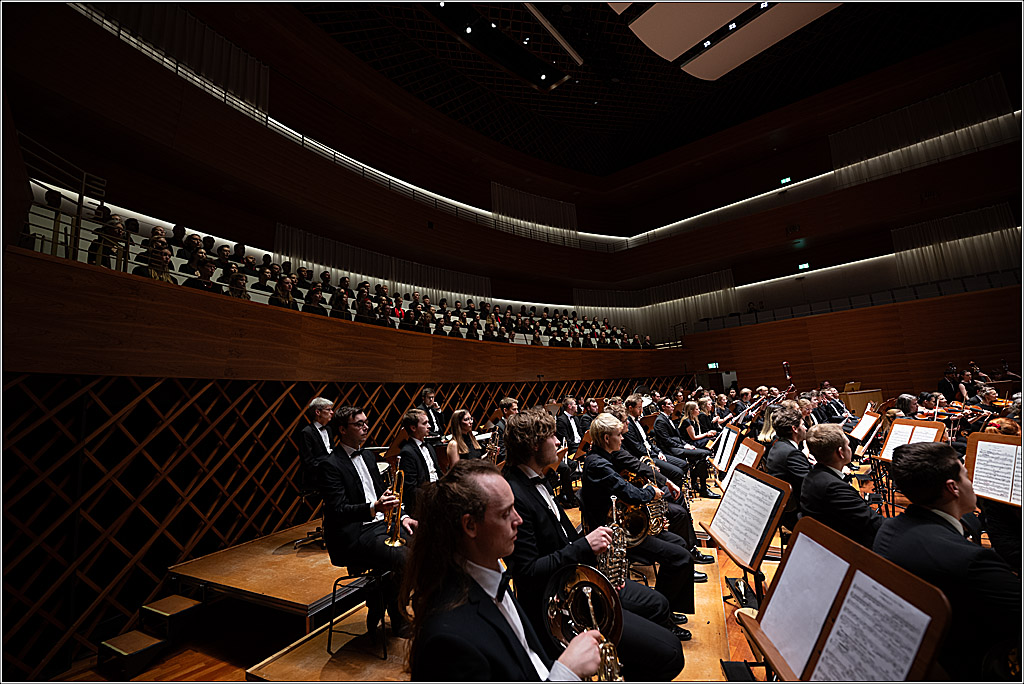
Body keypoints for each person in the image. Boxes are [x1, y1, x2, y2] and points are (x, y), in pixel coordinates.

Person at [501, 409, 687, 679]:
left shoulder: (537, 480)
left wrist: (601, 569)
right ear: (533, 445)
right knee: (670, 652)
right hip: (560, 604)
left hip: (579, 579)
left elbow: (566, 537)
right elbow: (527, 571)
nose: (558, 442)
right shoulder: (515, 493)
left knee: (658, 605)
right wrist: (586, 546)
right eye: (552, 436)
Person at [401, 459, 602, 680]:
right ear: (470, 526)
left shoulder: (490, 571)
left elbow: (528, 658)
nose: (519, 520)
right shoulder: (447, 640)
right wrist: (567, 672)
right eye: (506, 513)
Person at [873, 442, 1021, 681]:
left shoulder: (888, 530)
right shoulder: (972, 560)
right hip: (972, 662)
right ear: (952, 488)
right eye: (966, 475)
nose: (972, 482)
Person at [581, 413, 701, 622]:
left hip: (623, 526)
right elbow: (628, 492)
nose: (622, 438)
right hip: (615, 536)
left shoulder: (602, 458)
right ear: (607, 438)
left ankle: (666, 608)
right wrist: (650, 492)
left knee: (679, 543)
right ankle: (663, 615)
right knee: (679, 557)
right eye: (619, 434)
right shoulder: (598, 464)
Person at [318, 405, 415, 637]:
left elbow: (383, 492)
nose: (365, 427)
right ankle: (398, 618)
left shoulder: (369, 457)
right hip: (353, 534)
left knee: (426, 545)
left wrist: (404, 517)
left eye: (366, 422)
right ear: (342, 429)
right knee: (405, 558)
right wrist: (374, 507)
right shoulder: (330, 465)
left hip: (380, 526)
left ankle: (377, 592)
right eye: (359, 424)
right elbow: (339, 510)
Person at [801, 424, 882, 547]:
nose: (850, 448)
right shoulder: (833, 488)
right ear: (840, 453)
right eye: (848, 445)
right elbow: (872, 522)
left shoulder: (813, 475)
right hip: (849, 548)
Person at [652, 398, 715, 499]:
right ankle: (702, 489)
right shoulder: (660, 421)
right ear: (663, 407)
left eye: (672, 403)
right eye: (669, 404)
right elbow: (667, 441)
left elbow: (679, 438)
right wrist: (684, 446)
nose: (673, 405)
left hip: (677, 446)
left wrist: (686, 445)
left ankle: (696, 483)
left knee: (702, 456)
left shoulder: (668, 418)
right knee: (704, 453)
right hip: (670, 450)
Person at [762, 407, 809, 531]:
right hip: (797, 512)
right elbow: (810, 485)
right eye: (803, 424)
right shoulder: (791, 453)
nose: (806, 428)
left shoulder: (778, 445)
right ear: (794, 429)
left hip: (786, 508)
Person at [397, 409, 442, 517]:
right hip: (423, 503)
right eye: (425, 423)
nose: (429, 426)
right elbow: (411, 489)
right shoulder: (407, 452)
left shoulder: (429, 447)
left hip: (437, 494)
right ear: (413, 428)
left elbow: (438, 473)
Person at [297, 397, 335, 488]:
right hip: (318, 476)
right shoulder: (307, 432)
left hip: (333, 473)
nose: (332, 412)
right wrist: (327, 470)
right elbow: (308, 460)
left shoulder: (329, 429)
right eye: (328, 409)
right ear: (318, 412)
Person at [492, 397, 518, 463]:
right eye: (514, 410)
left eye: (517, 409)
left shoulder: (516, 424)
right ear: (505, 410)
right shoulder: (499, 427)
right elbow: (501, 451)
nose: (517, 412)